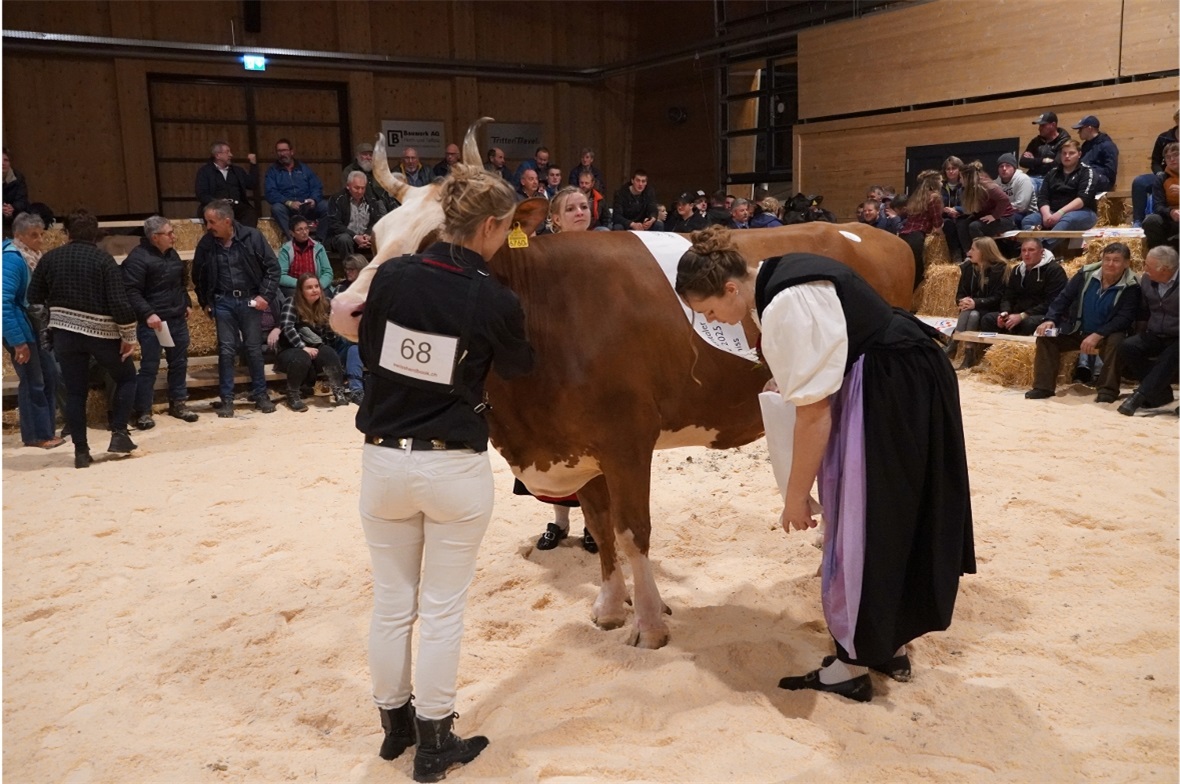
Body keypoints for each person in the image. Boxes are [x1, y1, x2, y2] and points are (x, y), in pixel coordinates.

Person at [674, 226, 974, 703]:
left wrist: (795, 497)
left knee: (862, 515)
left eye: (711, 311)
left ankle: (851, 667)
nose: (719, 321)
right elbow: (830, 344)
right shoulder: (778, 273)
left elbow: (814, 415)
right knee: (892, 512)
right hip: (905, 374)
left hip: (888, 387)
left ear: (731, 288)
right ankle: (888, 644)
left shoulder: (785, 303)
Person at [355, 161, 535, 779]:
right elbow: (516, 369)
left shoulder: (394, 276)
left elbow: (370, 342)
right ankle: (435, 743)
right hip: (452, 465)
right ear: (489, 226)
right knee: (441, 608)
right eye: (505, 230)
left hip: (382, 460)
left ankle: (392, 726)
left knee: (390, 602)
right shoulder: (494, 296)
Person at [28, 210, 139, 468]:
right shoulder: (104, 260)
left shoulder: (50, 259)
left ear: (67, 233)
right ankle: (119, 434)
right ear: (96, 233)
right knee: (126, 377)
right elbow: (119, 304)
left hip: (65, 334)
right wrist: (128, 336)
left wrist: (52, 324)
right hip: (102, 334)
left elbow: (34, 297)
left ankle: (81, 452)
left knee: (76, 392)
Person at [523, 186, 597, 553]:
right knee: (559, 445)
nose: (580, 212)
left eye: (584, 206)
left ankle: (593, 523)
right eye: (571, 208)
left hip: (594, 357)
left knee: (594, 445)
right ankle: (559, 522)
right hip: (554, 357)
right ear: (554, 218)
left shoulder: (606, 248)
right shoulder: (540, 252)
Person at [192, 199, 281, 417]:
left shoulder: (253, 237)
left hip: (250, 300)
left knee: (253, 348)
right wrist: (205, 301)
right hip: (223, 302)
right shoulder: (206, 244)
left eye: (212, 222)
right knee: (226, 350)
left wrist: (265, 296)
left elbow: (273, 268)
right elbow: (198, 276)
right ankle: (227, 399)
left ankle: (260, 395)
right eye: (207, 222)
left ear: (227, 221)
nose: (208, 226)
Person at [1025, 242, 1140, 404]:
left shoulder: (1132, 284)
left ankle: (1107, 390)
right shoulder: (1086, 273)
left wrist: (1098, 334)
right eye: (1107, 259)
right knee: (1046, 337)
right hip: (1076, 329)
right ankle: (1043, 387)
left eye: (1116, 260)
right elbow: (1063, 298)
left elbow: (1124, 318)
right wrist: (1050, 319)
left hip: (1106, 334)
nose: (1110, 264)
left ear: (1126, 263)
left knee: (1117, 341)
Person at [122, 216, 199, 429]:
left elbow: (181, 283)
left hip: (176, 318)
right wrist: (148, 314)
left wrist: (185, 303)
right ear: (155, 237)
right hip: (153, 322)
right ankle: (143, 411)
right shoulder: (137, 259)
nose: (174, 236)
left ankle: (179, 403)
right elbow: (131, 291)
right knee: (149, 367)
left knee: (179, 362)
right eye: (169, 233)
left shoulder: (172, 255)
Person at [3, 212, 61, 448]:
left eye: (41, 234)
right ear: (18, 236)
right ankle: (36, 435)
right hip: (21, 328)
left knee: (50, 376)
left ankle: (46, 430)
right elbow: (3, 302)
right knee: (33, 381)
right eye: (33, 235)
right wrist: (17, 341)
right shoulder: (12, 260)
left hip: (35, 326)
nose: (39, 240)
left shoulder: (32, 256)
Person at [276, 273, 352, 410]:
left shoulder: (326, 303)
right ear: (301, 291)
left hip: (315, 345)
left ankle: (338, 392)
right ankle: (293, 394)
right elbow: (287, 327)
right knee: (302, 357)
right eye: (309, 287)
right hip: (290, 348)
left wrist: (332, 324)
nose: (314, 290)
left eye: (316, 286)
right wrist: (302, 346)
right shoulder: (291, 302)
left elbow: (328, 338)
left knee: (330, 354)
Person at [1117, 246, 1179, 415]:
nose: (1145, 269)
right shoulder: (1146, 280)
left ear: (1165, 270)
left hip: (1178, 336)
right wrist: (1140, 333)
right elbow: (1144, 310)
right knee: (1128, 346)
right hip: (1156, 333)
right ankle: (1160, 394)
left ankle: (1139, 396)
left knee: (1170, 355)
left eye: (1149, 266)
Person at [980, 237, 1067, 335]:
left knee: (1026, 323)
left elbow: (1052, 302)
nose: (1026, 254)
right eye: (1023, 250)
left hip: (1041, 314)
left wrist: (1022, 316)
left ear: (1041, 252)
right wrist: (1005, 312)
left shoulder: (1054, 270)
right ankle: (993, 349)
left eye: (1031, 250)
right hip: (1017, 312)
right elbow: (1008, 295)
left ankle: (1013, 347)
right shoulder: (1017, 270)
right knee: (989, 319)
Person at [1021, 140, 1099, 242]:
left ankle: (1043, 248)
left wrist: (1060, 213)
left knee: (1066, 219)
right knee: (1028, 220)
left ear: (1079, 154)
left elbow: (1082, 199)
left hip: (1082, 212)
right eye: (1064, 153)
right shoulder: (1052, 173)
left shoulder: (1087, 172)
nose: (1067, 156)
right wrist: (1046, 215)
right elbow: (1043, 197)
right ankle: (1035, 246)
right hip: (1052, 212)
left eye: (1071, 153)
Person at [948, 237, 1008, 367]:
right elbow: (960, 293)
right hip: (972, 308)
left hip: (991, 308)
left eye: (973, 249)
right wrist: (962, 301)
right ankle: (968, 353)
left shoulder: (1000, 269)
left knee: (973, 312)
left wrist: (976, 302)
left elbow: (999, 297)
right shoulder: (968, 267)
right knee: (972, 313)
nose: (969, 252)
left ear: (984, 252)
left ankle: (954, 344)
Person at [265, 138, 329, 240]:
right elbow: (270, 192)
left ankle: (319, 241)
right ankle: (293, 240)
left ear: (291, 151)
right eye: (279, 151)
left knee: (326, 206)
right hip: (288, 208)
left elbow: (316, 186)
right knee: (276, 208)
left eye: (284, 150)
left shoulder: (304, 169)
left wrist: (313, 199)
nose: (282, 154)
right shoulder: (273, 171)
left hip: (306, 207)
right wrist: (289, 202)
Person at [897, 169, 944, 289]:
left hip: (904, 235)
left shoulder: (915, 197)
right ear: (935, 183)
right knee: (918, 270)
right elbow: (937, 222)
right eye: (941, 181)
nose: (942, 183)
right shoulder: (934, 197)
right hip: (917, 236)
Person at [1131, 111, 1178, 227]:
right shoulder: (1164, 137)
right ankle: (1138, 220)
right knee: (1139, 182)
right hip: (1165, 173)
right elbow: (1155, 161)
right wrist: (1160, 175)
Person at [194, 141, 258, 227]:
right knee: (214, 215)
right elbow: (201, 194)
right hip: (215, 206)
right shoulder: (205, 172)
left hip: (235, 205)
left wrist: (253, 165)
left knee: (250, 213)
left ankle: (244, 239)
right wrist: (217, 202)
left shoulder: (237, 171)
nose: (231, 155)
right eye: (227, 152)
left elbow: (252, 184)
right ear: (218, 155)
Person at [326, 171, 386, 259]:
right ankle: (349, 269)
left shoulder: (371, 200)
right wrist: (354, 236)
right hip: (343, 237)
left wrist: (368, 235)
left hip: (364, 237)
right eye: (356, 188)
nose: (360, 191)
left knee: (382, 237)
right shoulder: (337, 199)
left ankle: (377, 270)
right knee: (344, 239)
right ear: (348, 186)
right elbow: (334, 224)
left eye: (363, 188)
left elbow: (375, 221)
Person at [278, 216, 333, 300]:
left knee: (326, 295)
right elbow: (281, 275)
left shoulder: (318, 247)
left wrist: (317, 286)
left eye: (306, 228)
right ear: (292, 233)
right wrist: (302, 284)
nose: (304, 232)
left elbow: (328, 272)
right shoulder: (286, 250)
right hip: (296, 287)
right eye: (299, 230)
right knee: (295, 297)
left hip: (316, 285)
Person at [959, 160, 1016, 240]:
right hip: (985, 217)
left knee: (975, 226)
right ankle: (968, 251)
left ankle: (982, 251)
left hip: (1004, 218)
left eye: (961, 177)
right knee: (962, 224)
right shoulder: (969, 189)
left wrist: (995, 216)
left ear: (967, 178)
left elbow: (1004, 199)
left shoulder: (987, 186)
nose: (960, 180)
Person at [1021, 110, 1072, 188]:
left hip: (1051, 179)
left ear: (1053, 125)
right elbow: (1022, 161)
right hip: (1032, 177)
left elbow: (1056, 165)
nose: (1039, 128)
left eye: (1043, 125)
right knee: (1018, 181)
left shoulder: (1065, 142)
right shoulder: (1036, 141)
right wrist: (1042, 160)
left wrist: (1033, 161)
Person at [1142, 142, 1178, 252]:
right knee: (1151, 220)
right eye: (1168, 157)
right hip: (1172, 217)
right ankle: (1160, 255)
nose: (1172, 159)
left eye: (1176, 155)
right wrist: (1171, 212)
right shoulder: (1162, 178)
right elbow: (1158, 206)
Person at [344, 142, 398, 214]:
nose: (368, 157)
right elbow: (347, 192)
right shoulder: (349, 171)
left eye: (370, 155)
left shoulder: (379, 170)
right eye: (365, 154)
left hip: (384, 204)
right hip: (361, 206)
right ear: (357, 156)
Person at [1073, 115, 1119, 191]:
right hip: (1087, 177)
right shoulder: (1085, 145)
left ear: (1089, 128)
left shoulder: (1107, 146)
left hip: (1103, 180)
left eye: (1080, 129)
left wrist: (1091, 171)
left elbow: (1110, 172)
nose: (1078, 132)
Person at [940, 156, 970, 263]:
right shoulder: (940, 186)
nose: (951, 171)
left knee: (961, 224)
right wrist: (944, 210)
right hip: (946, 216)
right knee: (948, 224)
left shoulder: (965, 184)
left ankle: (967, 253)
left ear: (959, 170)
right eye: (948, 169)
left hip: (963, 215)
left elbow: (971, 205)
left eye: (954, 168)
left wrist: (958, 210)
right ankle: (955, 254)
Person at [996, 152, 1037, 225]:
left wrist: (998, 209)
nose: (1004, 169)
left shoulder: (1023, 179)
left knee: (1001, 220)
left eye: (1008, 165)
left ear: (1014, 168)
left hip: (1026, 213)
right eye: (1001, 166)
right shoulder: (995, 183)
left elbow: (1021, 206)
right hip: (1005, 211)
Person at [3, 147, 30, 235]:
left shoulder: (18, 177)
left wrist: (12, 208)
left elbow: (22, 200)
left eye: (6, 160)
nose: (3, 163)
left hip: (15, 214)